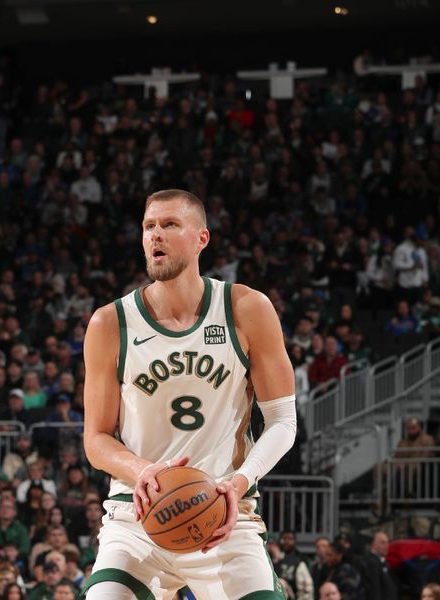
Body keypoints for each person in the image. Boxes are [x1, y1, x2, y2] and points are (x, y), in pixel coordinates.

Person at [82, 190, 297, 599]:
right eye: (148, 227)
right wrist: (141, 470)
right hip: (137, 515)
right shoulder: (110, 323)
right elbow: (96, 440)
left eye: (169, 225)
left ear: (202, 238)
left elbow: (283, 422)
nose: (155, 236)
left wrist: (239, 482)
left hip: (224, 513)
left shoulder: (246, 308)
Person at [361, 531, 398, 600]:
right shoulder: (372, 562)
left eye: (387, 542)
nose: (387, 545)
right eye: (383, 543)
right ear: (374, 544)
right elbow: (375, 589)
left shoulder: (382, 561)